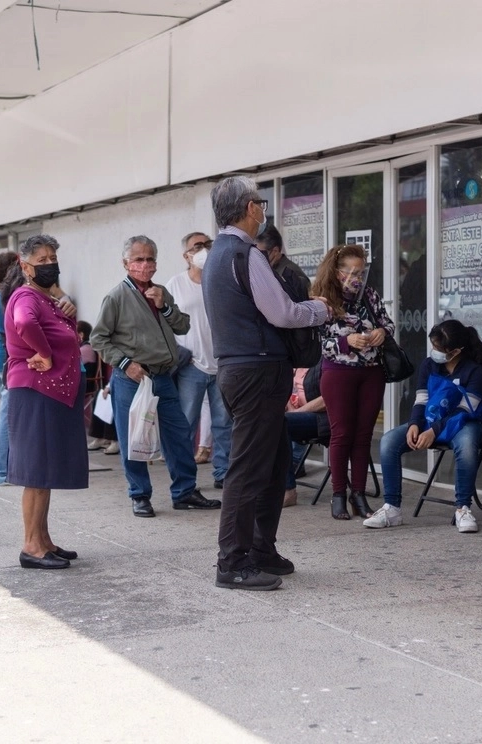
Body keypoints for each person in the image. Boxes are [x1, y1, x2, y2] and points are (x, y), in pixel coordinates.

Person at [201, 175, 331, 590]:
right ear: (248, 209)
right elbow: (283, 313)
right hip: (255, 370)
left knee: (273, 464)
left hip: (244, 369)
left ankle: (261, 549)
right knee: (248, 469)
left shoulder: (217, 254)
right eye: (260, 202)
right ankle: (232, 562)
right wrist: (318, 310)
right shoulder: (246, 254)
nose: (263, 209)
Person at [91, 235, 220, 517]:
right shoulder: (116, 297)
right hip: (132, 379)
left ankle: (185, 491)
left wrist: (165, 306)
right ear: (126, 263)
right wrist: (125, 363)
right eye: (138, 259)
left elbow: (183, 326)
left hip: (163, 376)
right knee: (133, 439)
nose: (145, 264)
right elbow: (98, 339)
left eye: (150, 259)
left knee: (177, 435)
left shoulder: (160, 291)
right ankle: (139, 495)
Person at [5, 234, 87, 570]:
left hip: (50, 393)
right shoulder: (26, 296)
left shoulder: (46, 297)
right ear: (25, 267)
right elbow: (24, 322)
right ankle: (31, 547)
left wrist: (62, 301)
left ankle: (44, 539)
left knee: (45, 472)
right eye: (41, 260)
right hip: (36, 392)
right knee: (36, 473)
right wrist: (43, 353)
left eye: (53, 258)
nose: (49, 264)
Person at [367, 320, 482, 532]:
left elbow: (464, 410)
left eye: (438, 348)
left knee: (467, 447)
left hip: (464, 422)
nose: (434, 351)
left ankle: (462, 508)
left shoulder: (476, 372)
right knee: (388, 441)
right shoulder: (428, 365)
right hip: (430, 420)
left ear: (456, 351)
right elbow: (421, 400)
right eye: (433, 346)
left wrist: (434, 430)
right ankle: (392, 508)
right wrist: (415, 423)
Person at [310, 244, 394, 521]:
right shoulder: (321, 299)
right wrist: (347, 341)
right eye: (350, 271)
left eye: (360, 271)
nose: (356, 277)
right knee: (341, 433)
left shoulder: (368, 295)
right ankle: (338, 495)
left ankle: (359, 494)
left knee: (363, 436)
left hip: (371, 371)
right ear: (336, 270)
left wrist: (382, 332)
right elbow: (314, 341)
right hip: (338, 372)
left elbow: (389, 323)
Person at [169, 231, 232, 490]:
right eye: (198, 246)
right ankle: (185, 481)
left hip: (221, 363)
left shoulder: (220, 280)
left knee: (224, 425)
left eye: (208, 244)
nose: (204, 249)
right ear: (186, 255)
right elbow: (165, 321)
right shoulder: (175, 284)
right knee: (186, 425)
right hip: (191, 366)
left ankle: (224, 473)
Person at [0, 251, 20, 487]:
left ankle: (5, 469)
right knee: (8, 417)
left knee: (6, 414)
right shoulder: (4, 296)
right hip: (4, 360)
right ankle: (2, 472)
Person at [283, 366, 330, 508]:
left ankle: (288, 490)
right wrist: (291, 408)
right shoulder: (295, 362)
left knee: (278, 425)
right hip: (298, 414)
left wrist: (296, 413)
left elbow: (327, 398)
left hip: (324, 418)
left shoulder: (325, 360)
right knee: (264, 421)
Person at [257, 224, 311, 300]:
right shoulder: (270, 270)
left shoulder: (290, 273)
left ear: (275, 251)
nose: (257, 257)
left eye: (261, 254)